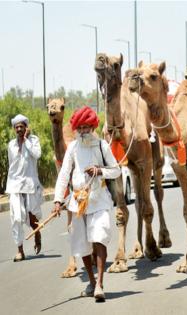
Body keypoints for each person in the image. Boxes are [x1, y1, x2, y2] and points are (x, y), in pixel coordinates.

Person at [52, 106, 121, 302]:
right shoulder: (73, 147)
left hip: (99, 201)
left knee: (99, 238)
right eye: (79, 128)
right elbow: (64, 173)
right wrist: (58, 200)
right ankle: (91, 282)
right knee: (82, 245)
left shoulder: (101, 145)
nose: (82, 131)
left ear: (92, 127)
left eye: (86, 127)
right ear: (76, 128)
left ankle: (99, 283)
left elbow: (116, 170)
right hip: (78, 203)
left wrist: (100, 171)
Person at [6, 114, 43, 262]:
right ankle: (20, 250)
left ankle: (37, 235)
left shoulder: (33, 141)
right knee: (16, 217)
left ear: (26, 128)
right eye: (17, 127)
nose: (19, 129)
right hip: (14, 185)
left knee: (32, 215)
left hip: (30, 184)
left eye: (22, 126)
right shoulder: (11, 145)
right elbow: (11, 165)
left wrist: (26, 140)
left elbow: (37, 154)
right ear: (14, 129)